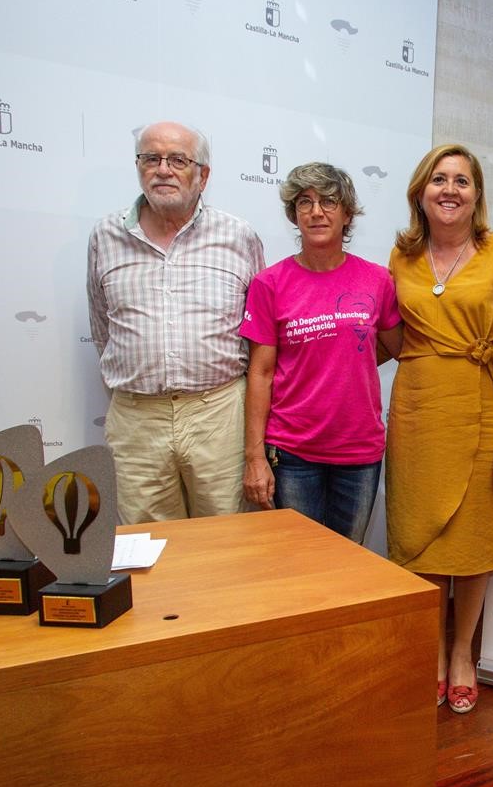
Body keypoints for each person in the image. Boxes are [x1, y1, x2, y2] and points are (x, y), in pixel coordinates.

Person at [385, 144, 493, 714]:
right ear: (420, 192)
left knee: (472, 541)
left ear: (476, 195)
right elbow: (386, 336)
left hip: (483, 409)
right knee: (419, 536)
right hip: (417, 413)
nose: (450, 190)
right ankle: (430, 649)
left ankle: (461, 655)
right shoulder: (400, 257)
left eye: (462, 181)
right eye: (438, 180)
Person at [87, 121, 265, 524]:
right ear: (138, 166)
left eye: (178, 160)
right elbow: (102, 327)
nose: (163, 169)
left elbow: (260, 338)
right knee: (148, 549)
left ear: (203, 175)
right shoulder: (105, 235)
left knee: (228, 538)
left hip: (218, 415)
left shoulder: (239, 236)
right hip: (137, 419)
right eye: (151, 158)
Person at [239, 163, 402, 542]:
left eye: (329, 201)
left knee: (348, 562)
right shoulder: (269, 284)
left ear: (347, 214)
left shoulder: (377, 280)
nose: (316, 211)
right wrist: (254, 457)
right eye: (305, 202)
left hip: (359, 453)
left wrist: (346, 358)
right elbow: (260, 373)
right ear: (293, 214)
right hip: (294, 452)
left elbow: (401, 349)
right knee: (298, 564)